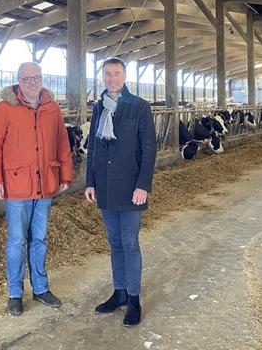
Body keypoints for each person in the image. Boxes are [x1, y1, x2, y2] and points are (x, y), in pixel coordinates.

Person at [0, 61, 74, 316]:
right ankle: (15, 293)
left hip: (45, 184)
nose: (32, 83)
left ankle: (41, 288)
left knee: (40, 238)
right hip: (15, 186)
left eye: (36, 78)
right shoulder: (5, 109)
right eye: (26, 79)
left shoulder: (52, 108)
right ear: (18, 82)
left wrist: (65, 174)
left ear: (42, 79)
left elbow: (62, 144)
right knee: (15, 240)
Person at [84, 57, 157, 327]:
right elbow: (92, 145)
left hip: (130, 188)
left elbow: (149, 149)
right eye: (108, 74)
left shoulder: (138, 107)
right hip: (104, 186)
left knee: (130, 243)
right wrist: (89, 182)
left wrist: (143, 185)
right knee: (114, 243)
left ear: (125, 77)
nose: (112, 78)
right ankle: (120, 292)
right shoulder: (99, 107)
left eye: (117, 73)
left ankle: (135, 299)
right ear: (103, 77)